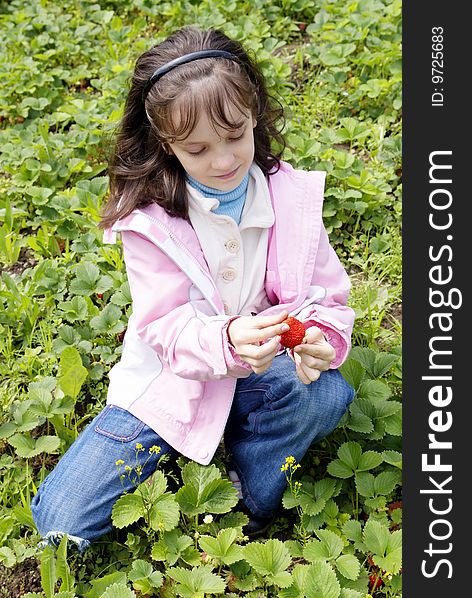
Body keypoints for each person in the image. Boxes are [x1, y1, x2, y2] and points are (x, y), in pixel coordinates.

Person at [31, 25, 355, 550]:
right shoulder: (150, 222)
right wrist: (228, 339)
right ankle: (192, 438)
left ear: (255, 117)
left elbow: (326, 297)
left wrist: (319, 336)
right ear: (166, 142)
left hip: (260, 369)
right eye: (199, 149)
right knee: (62, 524)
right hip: (171, 384)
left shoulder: (289, 199)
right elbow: (166, 327)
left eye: (236, 137)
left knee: (324, 394)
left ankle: (249, 494)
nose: (224, 161)